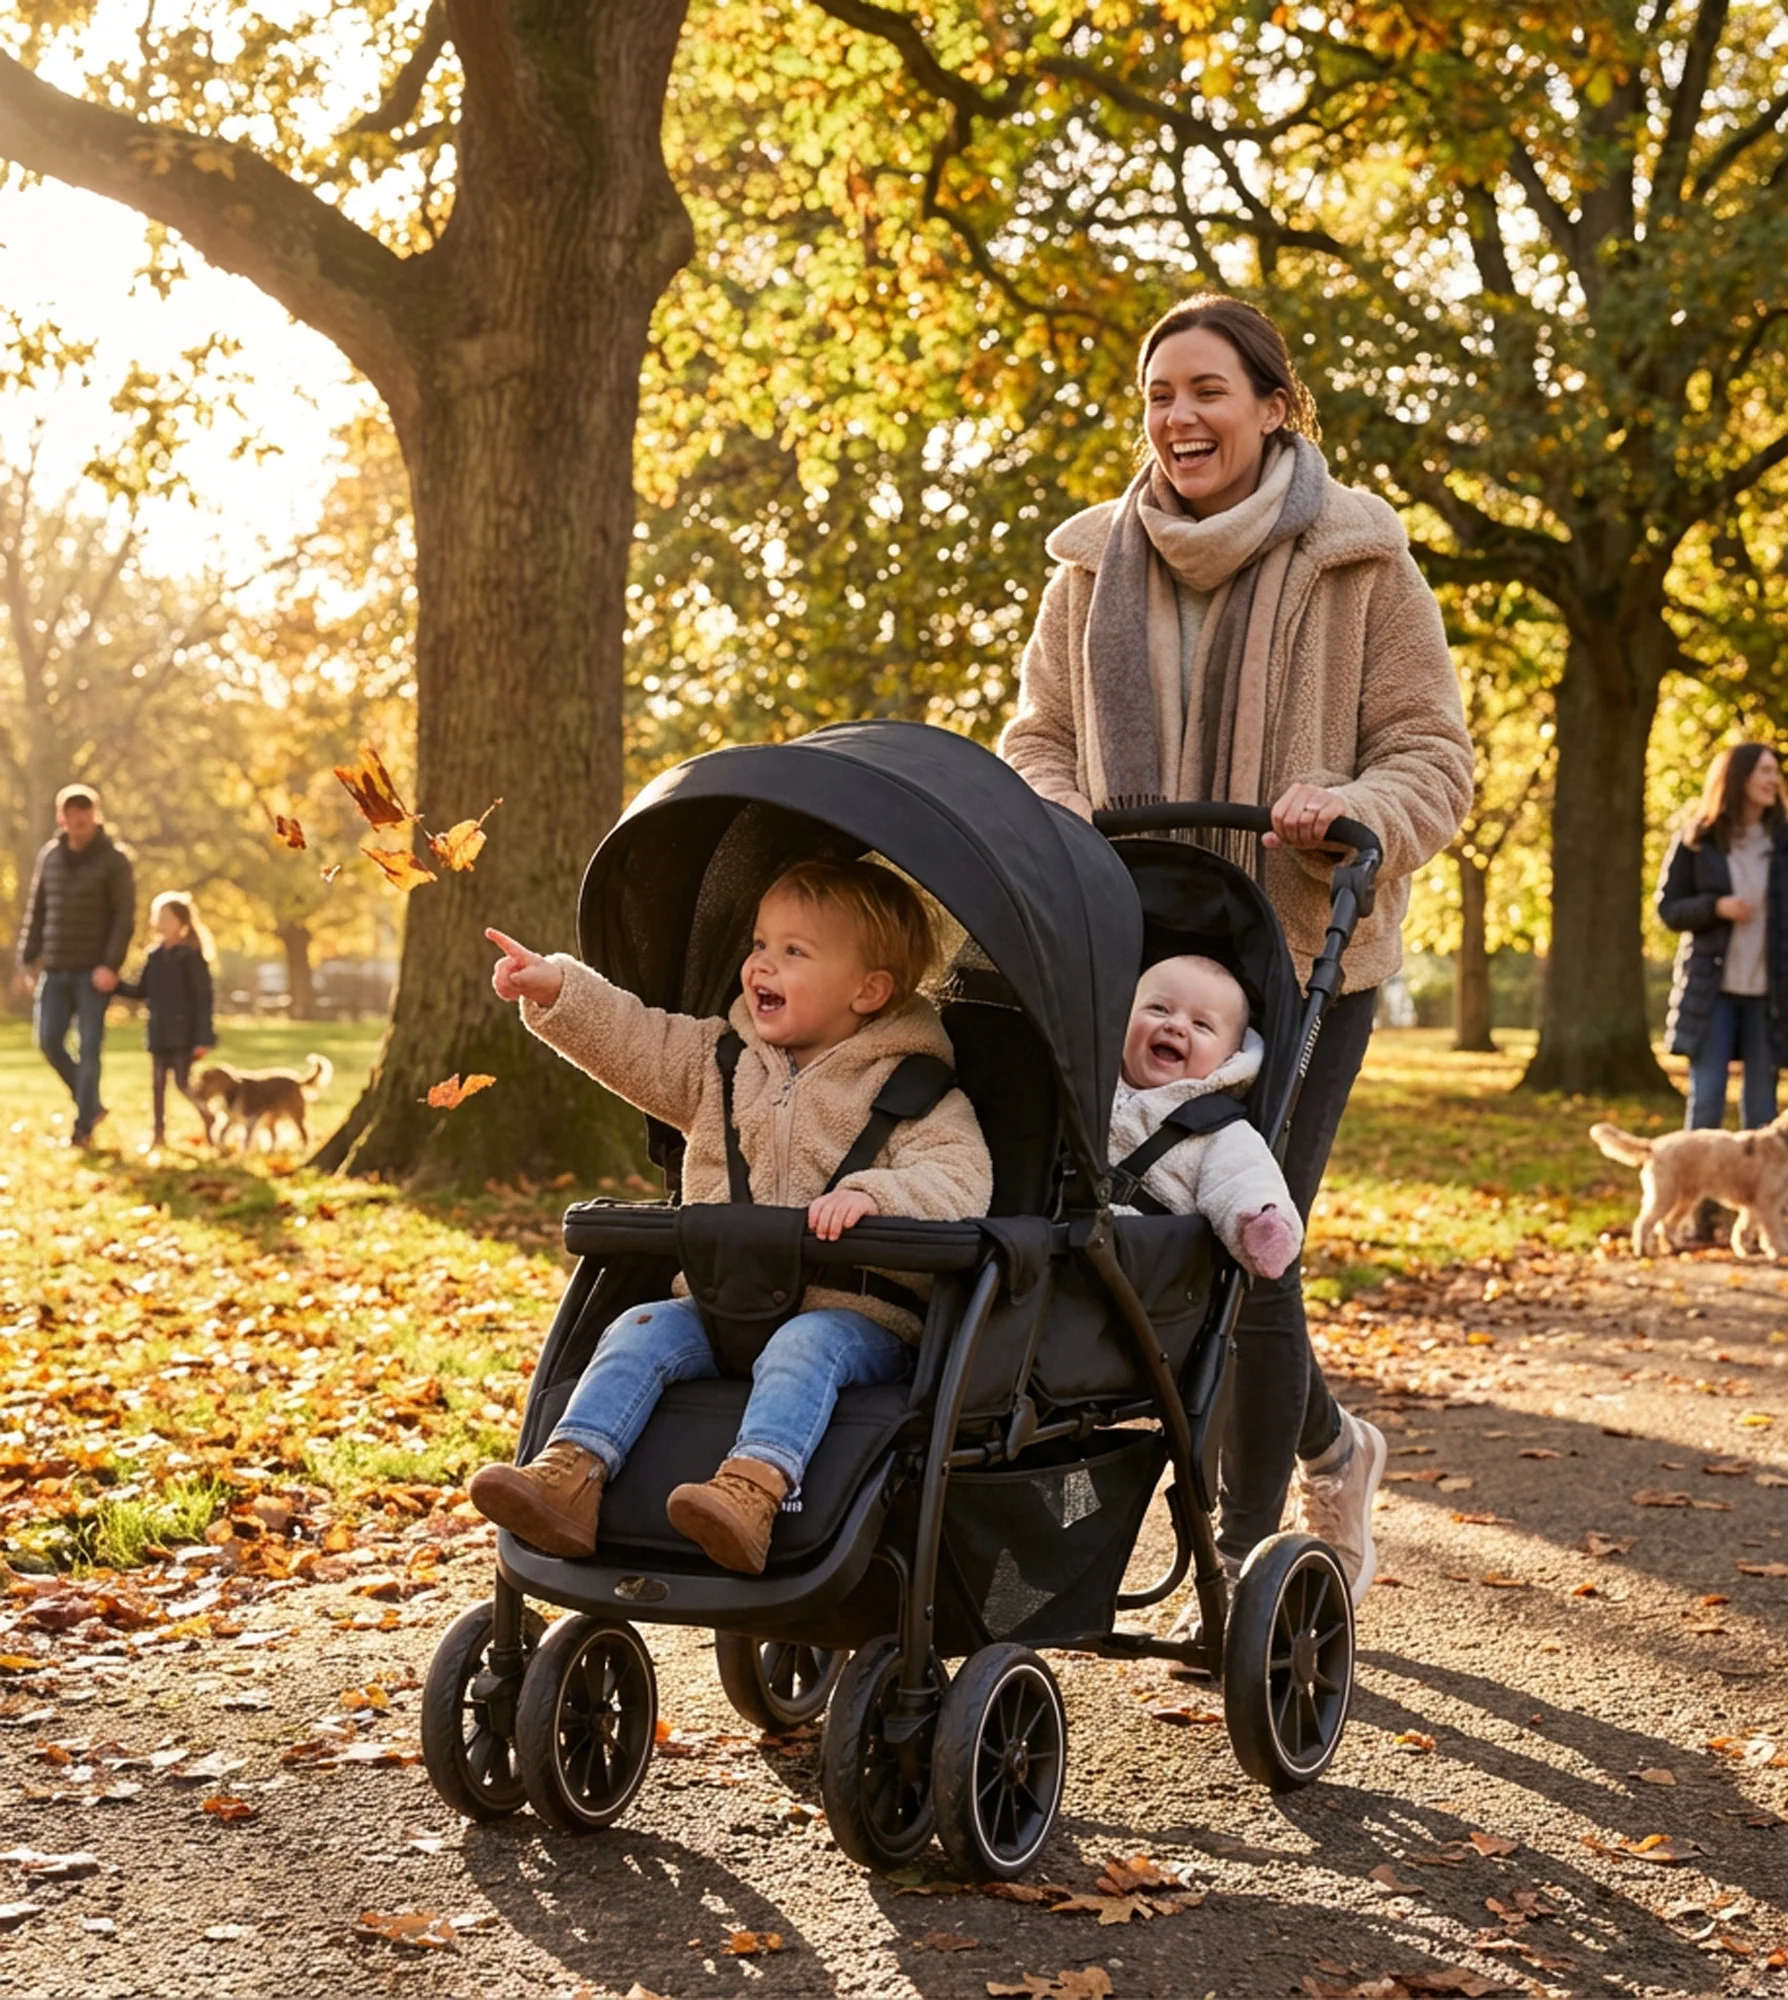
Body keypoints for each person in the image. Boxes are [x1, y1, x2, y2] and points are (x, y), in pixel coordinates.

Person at [999, 292, 1474, 1606]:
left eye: (1207, 390)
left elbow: (1435, 758)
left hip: (1301, 957)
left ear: (1273, 408)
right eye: (1159, 395)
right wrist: (1049, 808)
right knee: (1131, 1234)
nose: (1179, 418)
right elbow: (1037, 734)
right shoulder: (1091, 566)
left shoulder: (1359, 562)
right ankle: (1335, 1439)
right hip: (1128, 958)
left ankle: (1241, 1560)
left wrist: (1356, 811)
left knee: (1254, 1240)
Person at [467, 857, 992, 1573]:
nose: (760, 967)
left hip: (856, 1317)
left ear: (869, 990)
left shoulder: (913, 1087)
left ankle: (752, 1492)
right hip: (721, 1305)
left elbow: (961, 1178)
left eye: (793, 952)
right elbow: (635, 1039)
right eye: (758, 944)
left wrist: (877, 1195)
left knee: (803, 1346)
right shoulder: (721, 1062)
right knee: (638, 1327)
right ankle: (571, 1475)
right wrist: (560, 988)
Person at [1656, 742, 1788, 1177]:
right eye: (1765, 772)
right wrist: (1716, 907)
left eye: (1776, 772)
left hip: (1769, 994)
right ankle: (1698, 1212)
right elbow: (1668, 909)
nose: (1774, 781)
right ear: (1738, 778)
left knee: (1761, 1110)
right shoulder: (1698, 838)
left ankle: (1755, 1219)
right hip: (1712, 993)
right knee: (1707, 1099)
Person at [1111, 954, 1304, 1285]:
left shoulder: (1218, 1128)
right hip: (1046, 1245)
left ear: (1229, 1058)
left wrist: (1259, 1223)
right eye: (1158, 1009)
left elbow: (1242, 1176)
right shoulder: (1086, 1082)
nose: (1175, 1025)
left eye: (1201, 1025)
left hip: (1142, 1276)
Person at [14, 784, 136, 1148]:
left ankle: (83, 1126)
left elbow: (124, 918)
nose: (80, 829)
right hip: (56, 966)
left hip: (93, 973)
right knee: (49, 1041)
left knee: (90, 1048)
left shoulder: (115, 860)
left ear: (95, 818)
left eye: (86, 822)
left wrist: (110, 965)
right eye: (73, 822)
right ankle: (91, 1104)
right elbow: (37, 911)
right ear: (61, 819)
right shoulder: (50, 857)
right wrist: (27, 959)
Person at [117, 892, 219, 1152]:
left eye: (165, 916)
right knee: (158, 1085)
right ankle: (158, 1135)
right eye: (158, 916)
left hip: (184, 1034)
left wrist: (203, 1037)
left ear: (180, 921)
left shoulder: (191, 957)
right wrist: (114, 985)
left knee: (183, 1083)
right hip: (159, 1031)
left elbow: (203, 998)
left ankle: (208, 1115)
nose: (159, 921)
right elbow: (141, 991)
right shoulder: (154, 956)